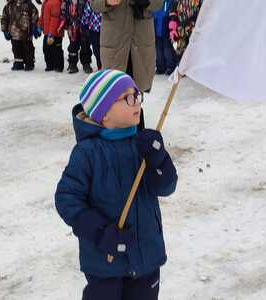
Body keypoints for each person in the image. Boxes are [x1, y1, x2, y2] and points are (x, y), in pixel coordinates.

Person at [55, 69, 178, 300]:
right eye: (128, 97)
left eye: (137, 95)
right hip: (105, 263)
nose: (136, 103)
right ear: (104, 113)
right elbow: (66, 199)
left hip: (146, 259)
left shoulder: (143, 144)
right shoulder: (87, 153)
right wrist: (100, 232)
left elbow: (167, 186)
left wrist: (159, 160)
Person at [91, 0, 163, 93]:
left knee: (137, 94)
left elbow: (159, 3)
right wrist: (106, 2)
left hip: (141, 43)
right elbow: (94, 4)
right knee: (115, 94)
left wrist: (147, 1)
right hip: (115, 43)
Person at [1, 0, 40, 71]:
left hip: (26, 34)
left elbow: (35, 16)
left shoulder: (29, 5)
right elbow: (4, 18)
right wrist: (5, 30)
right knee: (16, 49)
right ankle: (18, 63)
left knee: (28, 49)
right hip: (14, 33)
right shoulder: (9, 5)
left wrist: (35, 26)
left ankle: (29, 63)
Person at [39, 0, 65, 72]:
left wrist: (51, 33)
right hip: (48, 32)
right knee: (46, 49)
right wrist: (40, 25)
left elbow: (55, 19)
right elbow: (43, 15)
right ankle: (50, 64)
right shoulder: (46, 2)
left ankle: (58, 66)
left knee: (56, 50)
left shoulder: (56, 2)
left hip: (56, 32)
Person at [154, 0, 176, 75]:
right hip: (163, 20)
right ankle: (169, 67)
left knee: (160, 46)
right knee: (165, 46)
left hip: (158, 20)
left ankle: (162, 67)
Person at [80, 0, 103, 72]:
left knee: (105, 49)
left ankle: (105, 67)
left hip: (106, 30)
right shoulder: (91, 1)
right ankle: (100, 66)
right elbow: (87, 13)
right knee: (96, 49)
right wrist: (84, 25)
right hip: (94, 29)